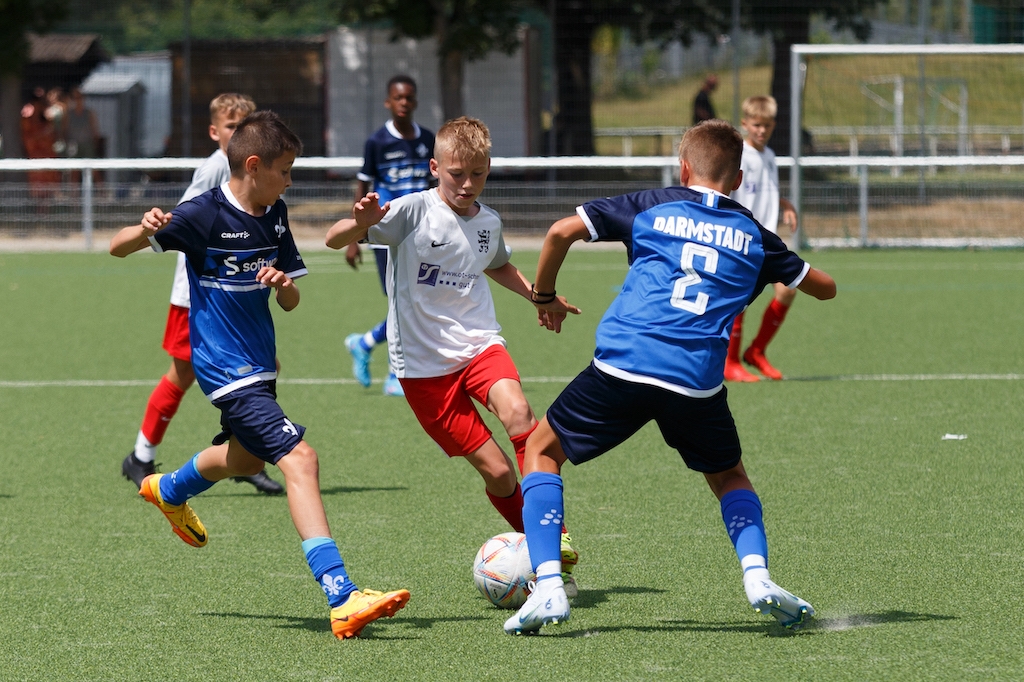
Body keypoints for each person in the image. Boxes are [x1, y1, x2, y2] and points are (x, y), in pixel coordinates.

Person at [503, 119, 836, 635]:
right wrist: (772, 265)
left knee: (542, 451)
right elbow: (824, 287)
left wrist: (543, 296)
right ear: (739, 179)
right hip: (696, 381)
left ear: (683, 169)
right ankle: (757, 577)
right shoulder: (754, 234)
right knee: (729, 477)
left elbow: (560, 232)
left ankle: (548, 585)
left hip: (624, 364)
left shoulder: (651, 205)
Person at [109, 110, 410, 640]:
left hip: (261, 364)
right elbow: (117, 247)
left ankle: (169, 489)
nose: (290, 181)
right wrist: (145, 228)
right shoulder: (202, 214)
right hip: (225, 368)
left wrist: (282, 285)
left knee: (245, 458)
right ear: (253, 165)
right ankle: (341, 595)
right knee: (301, 459)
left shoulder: (275, 214)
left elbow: (291, 301)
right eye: (285, 170)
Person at [326, 116, 581, 594]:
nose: (467, 184)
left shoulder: (488, 222)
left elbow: (498, 264)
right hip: (423, 369)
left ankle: (554, 540)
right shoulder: (411, 211)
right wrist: (360, 222)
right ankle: (535, 538)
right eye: (457, 174)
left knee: (520, 413)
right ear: (435, 168)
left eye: (477, 174)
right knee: (499, 473)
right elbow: (333, 237)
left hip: (479, 344)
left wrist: (540, 297)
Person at [121, 94, 283, 495]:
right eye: (231, 127)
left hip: (232, 295)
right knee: (182, 374)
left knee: (261, 368)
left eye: (246, 127)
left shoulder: (253, 176)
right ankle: (141, 455)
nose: (239, 134)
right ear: (214, 132)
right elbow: (180, 222)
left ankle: (244, 451)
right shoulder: (215, 170)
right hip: (199, 296)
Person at [344, 75, 435, 397]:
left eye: (409, 97)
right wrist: (354, 238)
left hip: (420, 233)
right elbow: (362, 187)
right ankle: (395, 374)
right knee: (400, 302)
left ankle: (365, 343)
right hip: (385, 234)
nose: (404, 103)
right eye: (398, 97)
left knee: (416, 301)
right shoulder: (377, 142)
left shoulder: (428, 139)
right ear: (388, 102)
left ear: (415, 101)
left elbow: (435, 187)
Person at [725, 95, 800, 382]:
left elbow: (765, 192)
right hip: (744, 237)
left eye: (766, 125)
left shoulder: (769, 156)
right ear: (745, 124)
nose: (761, 130)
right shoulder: (739, 155)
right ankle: (730, 362)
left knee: (787, 290)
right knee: (740, 299)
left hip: (768, 239)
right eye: (756, 125)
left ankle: (756, 351)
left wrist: (785, 205)